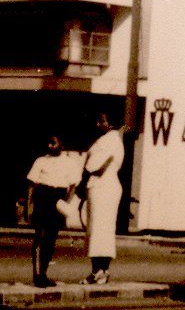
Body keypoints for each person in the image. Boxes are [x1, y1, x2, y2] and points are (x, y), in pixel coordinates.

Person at [25, 134, 82, 287]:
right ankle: (37, 275)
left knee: (51, 239)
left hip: (58, 199)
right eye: (49, 143)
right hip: (43, 197)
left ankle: (43, 273)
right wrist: (29, 206)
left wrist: (66, 203)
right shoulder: (41, 161)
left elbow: (73, 185)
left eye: (53, 143)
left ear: (62, 144)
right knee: (40, 236)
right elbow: (31, 185)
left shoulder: (69, 163)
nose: (50, 146)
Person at [80, 112, 125, 285]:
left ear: (110, 123)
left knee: (97, 229)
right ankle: (103, 271)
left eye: (102, 121)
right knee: (104, 229)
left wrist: (86, 173)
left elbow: (95, 166)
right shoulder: (115, 140)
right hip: (107, 185)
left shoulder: (108, 141)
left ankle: (97, 270)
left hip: (102, 185)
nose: (98, 124)